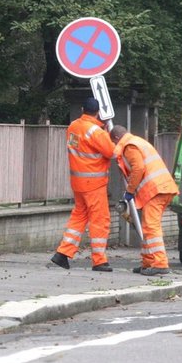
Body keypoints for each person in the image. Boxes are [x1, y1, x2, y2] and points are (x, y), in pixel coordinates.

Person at [50, 97, 114, 272]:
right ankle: (99, 260)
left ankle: (62, 253)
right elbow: (111, 152)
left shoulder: (73, 127)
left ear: (82, 109)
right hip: (94, 182)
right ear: (98, 112)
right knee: (100, 220)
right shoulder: (96, 132)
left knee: (79, 217)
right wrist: (109, 134)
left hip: (77, 181)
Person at [110, 125, 179, 276]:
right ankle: (148, 263)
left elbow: (138, 168)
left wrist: (129, 191)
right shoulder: (138, 141)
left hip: (155, 190)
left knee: (151, 227)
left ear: (116, 138)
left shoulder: (129, 146)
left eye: (114, 144)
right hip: (161, 188)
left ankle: (160, 264)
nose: (115, 147)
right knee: (147, 227)